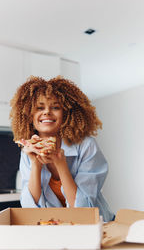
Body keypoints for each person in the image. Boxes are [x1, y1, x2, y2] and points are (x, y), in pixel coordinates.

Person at [10, 76, 114, 222]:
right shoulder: (28, 151)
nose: (46, 112)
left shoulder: (86, 146)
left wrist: (61, 164)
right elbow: (30, 209)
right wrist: (36, 165)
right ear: (29, 115)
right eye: (40, 107)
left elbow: (83, 209)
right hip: (57, 228)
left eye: (55, 107)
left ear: (66, 114)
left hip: (95, 226)